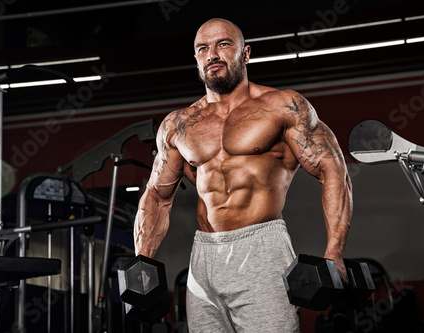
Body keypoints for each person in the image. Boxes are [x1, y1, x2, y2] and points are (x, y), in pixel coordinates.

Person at [134, 18, 352, 333]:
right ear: (196, 59)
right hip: (204, 257)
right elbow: (157, 194)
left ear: (245, 53)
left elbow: (332, 169)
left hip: (261, 247)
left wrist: (335, 250)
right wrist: (143, 260)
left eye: (224, 44)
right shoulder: (178, 125)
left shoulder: (283, 107)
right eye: (203, 48)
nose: (212, 54)